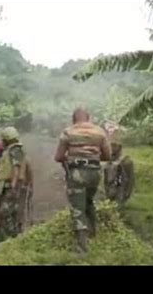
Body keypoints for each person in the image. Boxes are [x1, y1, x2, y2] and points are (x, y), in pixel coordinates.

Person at [54, 108, 111, 254]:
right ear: (88, 117)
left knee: (77, 208)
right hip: (95, 173)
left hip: (77, 173)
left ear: (74, 118)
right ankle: (93, 233)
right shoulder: (99, 131)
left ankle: (82, 246)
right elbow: (107, 155)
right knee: (89, 201)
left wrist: (72, 158)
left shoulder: (68, 132)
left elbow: (59, 156)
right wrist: (92, 158)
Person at [0, 126, 28, 242]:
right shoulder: (12, 150)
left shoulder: (15, 150)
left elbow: (16, 168)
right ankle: (13, 238)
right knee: (11, 212)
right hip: (8, 185)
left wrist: (13, 186)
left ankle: (10, 238)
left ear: (6, 140)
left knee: (5, 212)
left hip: (11, 186)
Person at [104, 142, 135, 207]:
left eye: (114, 145)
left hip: (121, 190)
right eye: (110, 145)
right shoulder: (108, 161)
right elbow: (106, 178)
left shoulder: (126, 161)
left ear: (119, 147)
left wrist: (128, 192)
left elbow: (131, 178)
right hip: (110, 190)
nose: (112, 148)